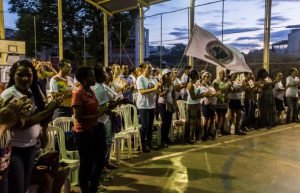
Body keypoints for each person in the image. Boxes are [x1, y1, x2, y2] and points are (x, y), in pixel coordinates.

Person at [1, 60, 62, 193]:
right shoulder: (9, 95)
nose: (25, 78)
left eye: (28, 75)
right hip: (15, 149)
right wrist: (48, 109)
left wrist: (51, 108)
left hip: (31, 147)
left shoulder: (31, 92)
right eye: (20, 75)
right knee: (18, 188)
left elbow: (42, 119)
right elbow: (21, 124)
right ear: (12, 76)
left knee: (25, 186)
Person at [72, 66, 105, 193]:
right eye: (91, 75)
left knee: (99, 160)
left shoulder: (91, 91)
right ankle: (86, 189)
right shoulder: (78, 93)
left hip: (94, 129)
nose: (94, 78)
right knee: (86, 164)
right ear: (84, 79)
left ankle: (93, 187)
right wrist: (98, 114)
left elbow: (95, 110)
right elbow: (79, 117)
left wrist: (107, 110)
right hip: (84, 133)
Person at [136, 63, 160, 152]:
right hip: (143, 105)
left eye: (151, 68)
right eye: (149, 68)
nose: (150, 70)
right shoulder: (140, 78)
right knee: (144, 126)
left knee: (150, 126)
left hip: (151, 105)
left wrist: (159, 88)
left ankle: (149, 143)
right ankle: (142, 144)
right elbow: (142, 92)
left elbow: (157, 91)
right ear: (144, 69)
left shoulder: (153, 79)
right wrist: (154, 89)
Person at [158, 69, 175, 148]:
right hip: (162, 104)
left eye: (169, 74)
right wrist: (165, 91)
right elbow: (159, 94)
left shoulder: (171, 84)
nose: (169, 76)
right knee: (164, 122)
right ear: (164, 76)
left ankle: (166, 138)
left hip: (169, 104)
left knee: (168, 122)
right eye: (167, 74)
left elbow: (173, 94)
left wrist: (174, 104)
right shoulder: (160, 84)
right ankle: (163, 140)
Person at [200, 72, 220, 140]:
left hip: (213, 104)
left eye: (209, 77)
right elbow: (207, 95)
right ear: (203, 77)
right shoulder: (202, 85)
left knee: (211, 119)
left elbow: (212, 93)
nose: (208, 78)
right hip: (206, 104)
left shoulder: (210, 85)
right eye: (206, 76)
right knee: (206, 119)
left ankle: (208, 133)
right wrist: (215, 94)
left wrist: (215, 94)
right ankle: (204, 134)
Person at [186, 70, 203, 143]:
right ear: (195, 75)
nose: (199, 75)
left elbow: (198, 94)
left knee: (197, 121)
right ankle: (190, 138)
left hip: (197, 104)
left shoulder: (196, 83)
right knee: (192, 122)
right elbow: (193, 97)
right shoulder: (190, 85)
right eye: (198, 74)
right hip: (192, 105)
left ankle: (197, 137)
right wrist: (204, 95)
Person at [213, 70, 231, 136]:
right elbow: (217, 88)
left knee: (224, 116)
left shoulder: (226, 81)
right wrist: (227, 85)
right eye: (220, 73)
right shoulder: (215, 81)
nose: (222, 75)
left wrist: (228, 88)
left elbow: (230, 89)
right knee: (218, 116)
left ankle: (222, 129)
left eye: (223, 73)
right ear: (218, 74)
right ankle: (217, 130)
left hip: (225, 100)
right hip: (218, 100)